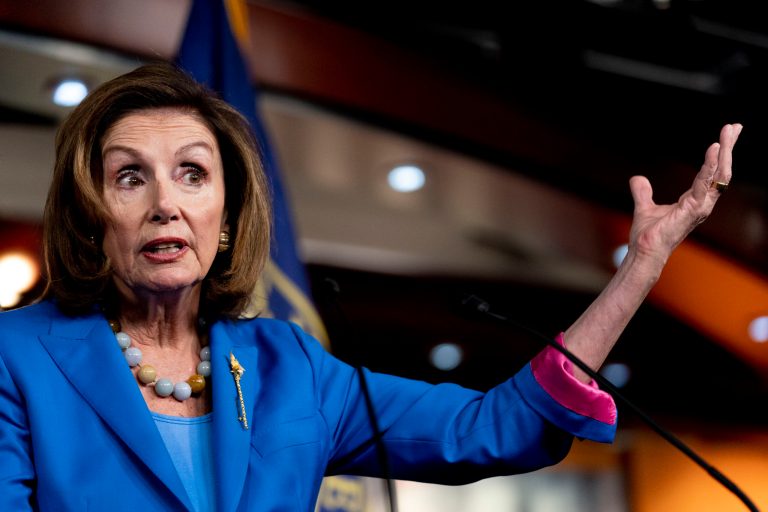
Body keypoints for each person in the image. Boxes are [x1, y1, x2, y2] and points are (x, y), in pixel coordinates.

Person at [0, 61, 741, 512]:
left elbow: (491, 428)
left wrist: (641, 266)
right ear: (91, 215)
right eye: (130, 177)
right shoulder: (17, 356)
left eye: (193, 173)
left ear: (226, 218)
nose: (166, 203)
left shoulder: (288, 366)